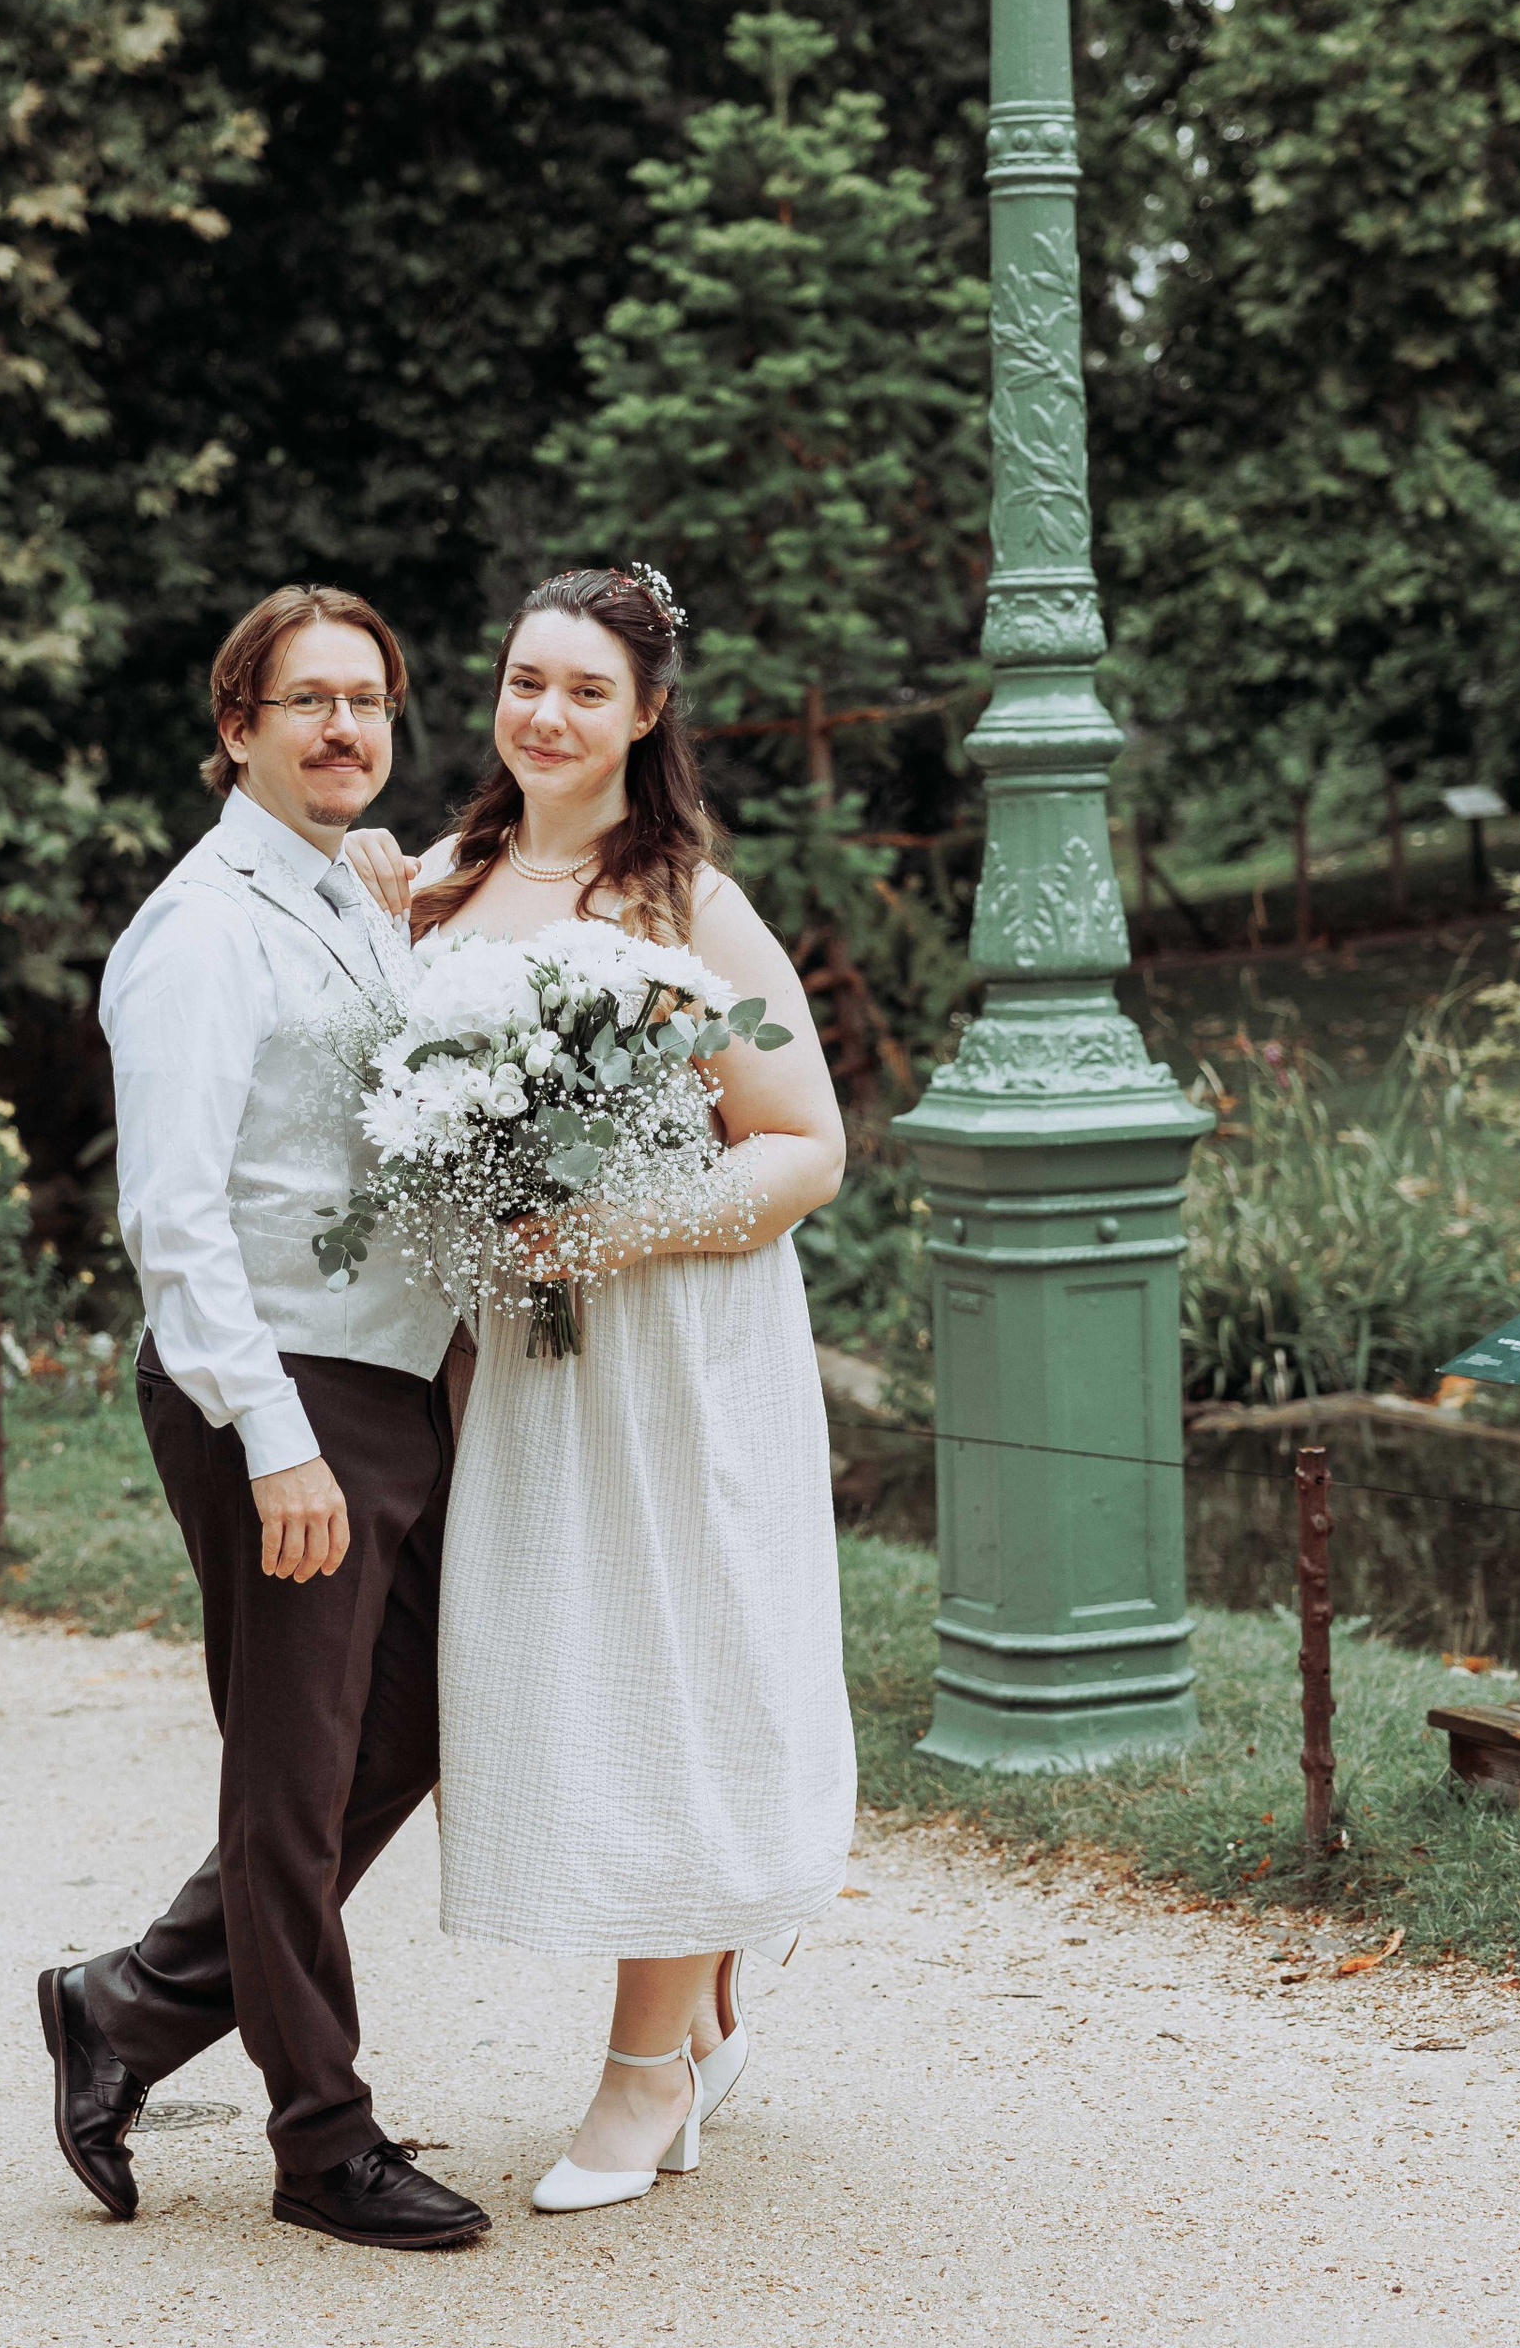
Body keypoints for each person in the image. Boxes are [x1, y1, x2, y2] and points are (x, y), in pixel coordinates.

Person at [344, 565, 857, 2216]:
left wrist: (611, 1229)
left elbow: (805, 1146)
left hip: (677, 1346)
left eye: (584, 689)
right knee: (566, 1669)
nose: (544, 714)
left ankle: (647, 2076)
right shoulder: (449, 876)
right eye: (521, 681)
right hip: (527, 1365)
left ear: (647, 715)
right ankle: (699, 2012)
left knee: (673, 1663)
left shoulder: (687, 903)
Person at [38, 583, 491, 2252]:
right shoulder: (202, 927)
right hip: (279, 1391)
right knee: (292, 1781)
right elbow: (172, 1212)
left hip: (392, 1387)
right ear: (236, 729)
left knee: (409, 1734)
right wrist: (271, 1434)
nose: (342, 729)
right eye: (304, 702)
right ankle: (322, 2139)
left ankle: (134, 2005)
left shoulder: (352, 899)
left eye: (366, 700)